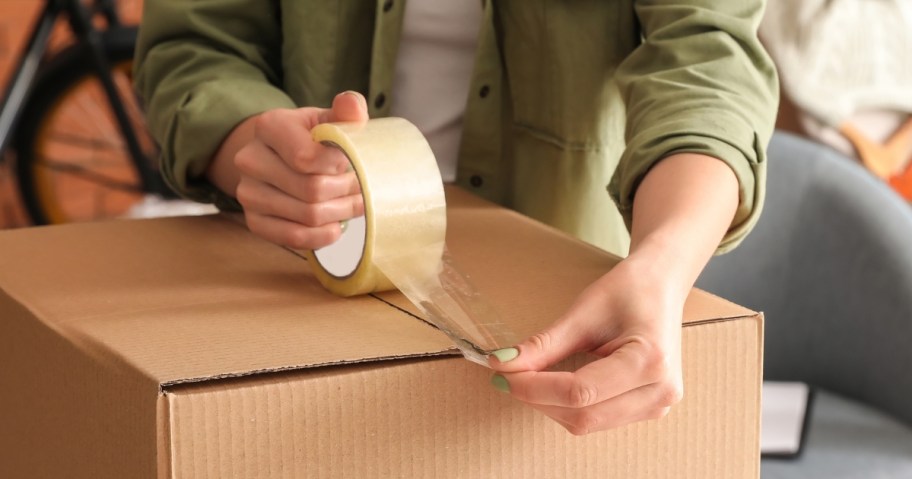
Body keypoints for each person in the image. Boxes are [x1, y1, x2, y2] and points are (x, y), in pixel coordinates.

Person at [134, 1, 777, 435]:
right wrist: (252, 147)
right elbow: (196, 42)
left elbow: (708, 58)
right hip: (302, 266)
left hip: (568, 290)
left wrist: (660, 267)